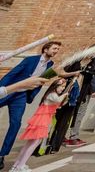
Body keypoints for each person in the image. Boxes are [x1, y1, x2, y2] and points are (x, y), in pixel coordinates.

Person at [0, 41, 61, 170]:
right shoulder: (30, 60)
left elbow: (42, 81)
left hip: (21, 97)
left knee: (16, 124)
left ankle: (2, 155)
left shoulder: (50, 65)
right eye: (54, 48)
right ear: (45, 50)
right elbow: (12, 73)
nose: (56, 51)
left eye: (57, 49)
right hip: (9, 91)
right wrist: (2, 88)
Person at [8, 79, 68, 172]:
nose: (62, 89)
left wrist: (64, 96)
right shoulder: (52, 95)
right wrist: (66, 93)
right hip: (41, 122)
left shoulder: (52, 95)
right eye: (62, 87)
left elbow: (59, 104)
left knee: (30, 144)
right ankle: (20, 166)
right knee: (34, 143)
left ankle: (17, 165)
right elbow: (58, 100)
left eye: (64, 87)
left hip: (41, 121)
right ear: (55, 86)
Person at [66, 54, 95, 147]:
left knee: (72, 112)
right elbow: (94, 75)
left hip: (76, 90)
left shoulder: (80, 59)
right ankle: (73, 137)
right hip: (84, 91)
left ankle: (64, 137)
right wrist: (93, 90)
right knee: (79, 112)